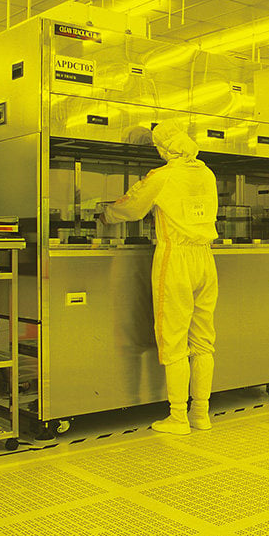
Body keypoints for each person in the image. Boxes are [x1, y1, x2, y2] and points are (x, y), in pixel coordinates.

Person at [100, 121, 219, 434]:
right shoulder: (207, 173)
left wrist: (106, 215)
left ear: (165, 147)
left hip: (176, 258)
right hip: (206, 258)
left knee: (174, 338)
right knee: (203, 340)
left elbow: (133, 207)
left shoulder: (163, 176)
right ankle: (201, 413)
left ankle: (178, 416)